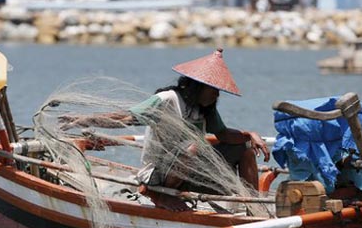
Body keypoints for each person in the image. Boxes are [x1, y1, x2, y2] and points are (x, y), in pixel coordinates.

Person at [61, 48, 270, 210]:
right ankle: (161, 195)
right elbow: (126, 117)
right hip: (158, 175)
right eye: (213, 89)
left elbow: (224, 135)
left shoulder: (204, 109)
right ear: (197, 86)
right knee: (193, 147)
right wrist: (83, 120)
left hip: (191, 173)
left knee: (245, 150)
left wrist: (250, 134)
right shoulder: (167, 99)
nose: (216, 95)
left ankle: (252, 205)